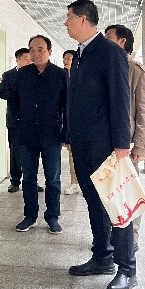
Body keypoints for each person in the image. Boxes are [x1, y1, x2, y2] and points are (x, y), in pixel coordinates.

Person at [65, 0, 137, 289]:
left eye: (69, 17)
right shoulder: (80, 54)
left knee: (115, 203)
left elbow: (120, 99)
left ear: (83, 19)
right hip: (82, 142)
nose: (66, 22)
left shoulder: (110, 52)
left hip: (104, 144)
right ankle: (102, 257)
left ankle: (127, 269)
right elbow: (74, 99)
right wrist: (69, 134)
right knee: (94, 201)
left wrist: (122, 143)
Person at [104, 24, 145, 252]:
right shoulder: (106, 68)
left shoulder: (137, 71)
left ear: (122, 41)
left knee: (128, 192)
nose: (105, 41)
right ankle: (108, 238)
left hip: (128, 145)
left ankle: (131, 239)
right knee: (107, 192)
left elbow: (144, 111)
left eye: (109, 37)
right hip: (105, 143)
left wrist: (139, 146)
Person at [14, 35, 67, 234]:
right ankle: (30, 215)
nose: (35, 54)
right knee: (28, 178)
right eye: (31, 50)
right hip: (26, 135)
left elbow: (67, 106)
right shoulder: (22, 74)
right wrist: (18, 124)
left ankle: (52, 216)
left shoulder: (60, 75)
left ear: (49, 52)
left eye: (40, 49)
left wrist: (66, 133)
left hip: (51, 134)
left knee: (53, 178)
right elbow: (15, 102)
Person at [0, 48, 43, 193]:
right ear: (17, 60)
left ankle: (32, 181)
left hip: (32, 122)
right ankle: (15, 181)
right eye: (25, 59)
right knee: (16, 153)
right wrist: (19, 92)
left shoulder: (36, 74)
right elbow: (3, 93)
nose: (29, 61)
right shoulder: (8, 75)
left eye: (30, 59)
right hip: (15, 121)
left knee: (33, 153)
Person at [62, 50, 80, 195]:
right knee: (72, 154)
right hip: (67, 121)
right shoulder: (60, 75)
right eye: (65, 58)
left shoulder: (81, 75)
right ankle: (74, 182)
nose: (66, 61)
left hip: (81, 120)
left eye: (69, 58)